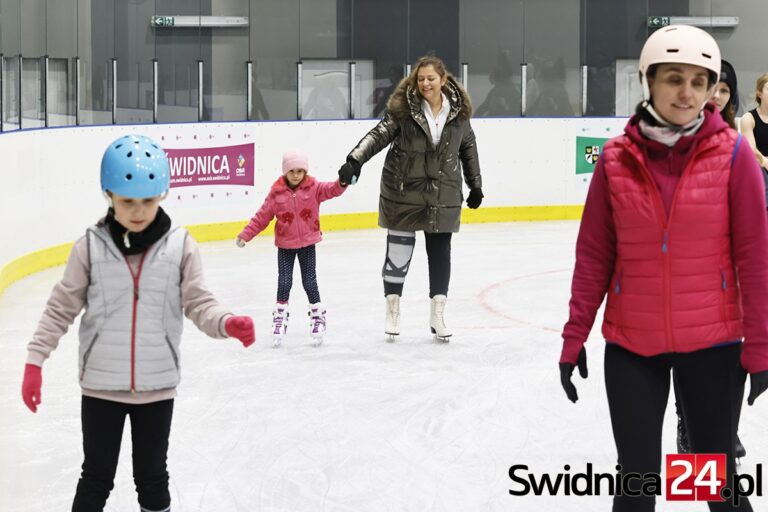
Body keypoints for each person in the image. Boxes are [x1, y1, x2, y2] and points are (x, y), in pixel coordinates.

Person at [558, 26, 768, 511]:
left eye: (699, 81)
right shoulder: (615, 159)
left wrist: (758, 346)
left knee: (712, 480)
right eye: (674, 78)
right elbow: (593, 256)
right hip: (633, 347)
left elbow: (754, 260)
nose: (687, 92)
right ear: (648, 81)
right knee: (638, 480)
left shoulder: (733, 155)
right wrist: (574, 337)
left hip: (712, 346)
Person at [20, 134, 256, 512]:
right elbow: (60, 307)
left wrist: (226, 323)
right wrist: (35, 360)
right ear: (108, 195)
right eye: (127, 201)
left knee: (152, 478)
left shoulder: (180, 247)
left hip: (157, 388)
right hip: (100, 388)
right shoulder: (91, 247)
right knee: (96, 477)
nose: (138, 210)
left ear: (162, 194)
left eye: (148, 200)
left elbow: (198, 302)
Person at [337, 55, 483, 342]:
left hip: (443, 192)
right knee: (398, 253)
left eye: (431, 78)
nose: (425, 83)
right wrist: (355, 160)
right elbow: (379, 135)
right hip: (402, 191)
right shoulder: (404, 111)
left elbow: (469, 149)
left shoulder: (459, 115)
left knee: (440, 253)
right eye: (420, 79)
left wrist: (475, 185)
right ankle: (392, 308)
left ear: (443, 80)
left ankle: (437, 314)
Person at [674, 58, 747, 459]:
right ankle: (690, 427)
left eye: (724, 89)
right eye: (711, 87)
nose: (716, 96)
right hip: (687, 264)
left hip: (729, 264)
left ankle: (723, 430)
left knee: (731, 353)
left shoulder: (735, 135)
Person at [236, 149, 346, 347]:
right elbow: (262, 217)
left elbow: (333, 190)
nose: (296, 175)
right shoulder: (276, 193)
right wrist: (246, 235)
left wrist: (343, 181)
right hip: (285, 246)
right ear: (285, 172)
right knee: (284, 282)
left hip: (308, 244)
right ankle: (280, 316)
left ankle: (317, 316)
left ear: (305, 172)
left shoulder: (314, 188)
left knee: (309, 282)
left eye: (300, 171)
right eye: (292, 171)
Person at [739, 73, 768, 171]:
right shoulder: (749, 118)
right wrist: (765, 162)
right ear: (759, 93)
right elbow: (752, 151)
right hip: (759, 171)